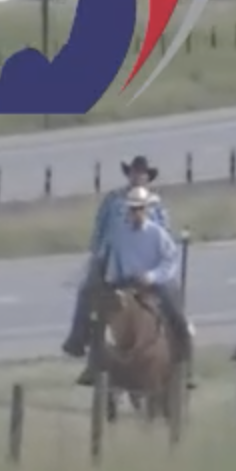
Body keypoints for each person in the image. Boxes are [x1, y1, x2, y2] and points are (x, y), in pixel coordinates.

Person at [64, 155, 165, 362]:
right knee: (87, 291)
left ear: (148, 178)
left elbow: (164, 234)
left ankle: (180, 344)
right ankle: (78, 339)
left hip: (147, 263)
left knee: (172, 297)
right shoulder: (113, 200)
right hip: (113, 261)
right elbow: (100, 229)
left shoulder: (156, 205)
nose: (138, 177)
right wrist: (98, 255)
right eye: (134, 173)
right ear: (129, 175)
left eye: (142, 174)